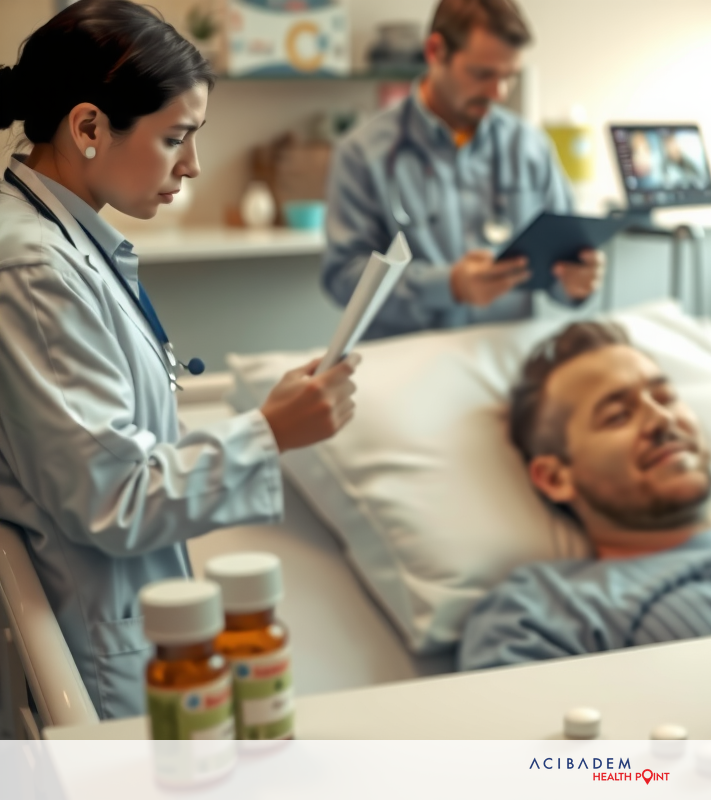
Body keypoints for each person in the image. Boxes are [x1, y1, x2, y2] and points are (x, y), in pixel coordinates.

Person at [0, 0, 359, 719]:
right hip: (99, 660)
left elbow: (117, 453)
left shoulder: (62, 244)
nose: (192, 165)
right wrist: (269, 432)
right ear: (88, 127)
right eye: (175, 138)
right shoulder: (33, 269)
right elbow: (114, 499)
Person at [458, 322, 711, 670]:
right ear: (555, 478)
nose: (662, 420)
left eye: (665, 397)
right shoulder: (544, 610)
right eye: (618, 415)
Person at [323, 0, 604, 339]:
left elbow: (563, 257)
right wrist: (448, 285)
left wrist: (576, 283)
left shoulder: (529, 146)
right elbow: (343, 279)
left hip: (507, 355)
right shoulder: (363, 153)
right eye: (482, 74)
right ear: (435, 51)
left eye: (509, 77)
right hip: (410, 358)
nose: (498, 93)